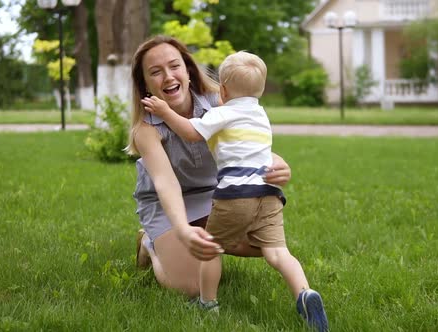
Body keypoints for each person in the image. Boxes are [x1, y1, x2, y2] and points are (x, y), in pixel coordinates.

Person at [142, 51, 328, 331]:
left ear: (224, 91)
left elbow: (192, 133)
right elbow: (252, 150)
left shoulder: (221, 112)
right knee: (277, 252)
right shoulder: (260, 115)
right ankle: (304, 293)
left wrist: (165, 112)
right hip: (268, 195)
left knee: (212, 250)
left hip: (235, 196)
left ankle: (208, 303)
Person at [126, 36, 291, 298]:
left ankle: (204, 235)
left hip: (216, 195)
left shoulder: (220, 101)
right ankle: (150, 242)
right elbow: (165, 182)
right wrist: (181, 228)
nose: (168, 76)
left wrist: (278, 162)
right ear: (145, 84)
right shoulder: (145, 129)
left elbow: (246, 144)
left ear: (188, 71)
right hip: (166, 204)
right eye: (155, 72)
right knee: (191, 288)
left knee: (266, 242)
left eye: (174, 66)